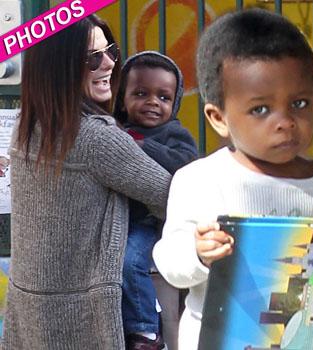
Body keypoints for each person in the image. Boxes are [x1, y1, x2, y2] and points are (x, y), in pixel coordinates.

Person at [152, 8, 313, 350]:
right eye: (261, 109)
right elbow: (168, 262)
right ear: (218, 118)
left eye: (299, 103)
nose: (285, 121)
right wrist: (197, 252)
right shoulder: (200, 181)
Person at [0, 15, 171, 350]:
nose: (109, 63)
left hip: (30, 309)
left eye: (110, 51)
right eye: (92, 58)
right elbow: (170, 196)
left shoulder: (26, 126)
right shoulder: (96, 139)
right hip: (82, 320)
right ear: (60, 68)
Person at [114, 51, 198, 350]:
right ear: (120, 97)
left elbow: (186, 163)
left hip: (148, 222)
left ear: (174, 103)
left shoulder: (174, 134)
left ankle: (145, 331)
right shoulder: (112, 129)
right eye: (140, 93)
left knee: (129, 261)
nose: (152, 102)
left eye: (163, 97)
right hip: (113, 218)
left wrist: (142, 146)